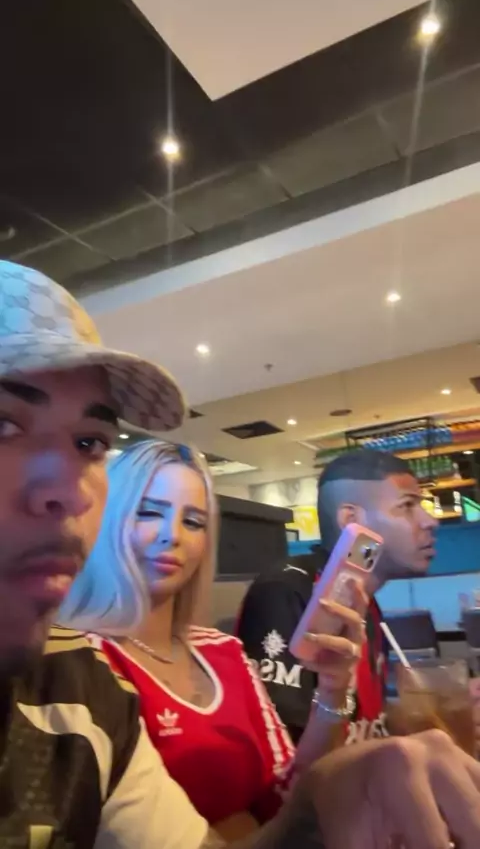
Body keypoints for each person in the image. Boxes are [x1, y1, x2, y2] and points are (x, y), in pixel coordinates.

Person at [1, 259, 480, 849]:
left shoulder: (87, 685)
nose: (71, 489)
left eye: (88, 442)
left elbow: (282, 797)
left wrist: (333, 730)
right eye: (4, 424)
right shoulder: (97, 660)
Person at [59, 439, 368, 837]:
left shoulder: (224, 651)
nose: (172, 535)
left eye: (193, 522)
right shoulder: (77, 660)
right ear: (107, 519)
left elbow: (290, 795)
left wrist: (332, 689)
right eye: (149, 512)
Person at [237, 450, 438, 744]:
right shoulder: (287, 590)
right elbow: (288, 751)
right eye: (407, 505)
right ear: (351, 520)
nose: (430, 521)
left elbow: (367, 724)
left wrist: (434, 716)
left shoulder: (365, 601)